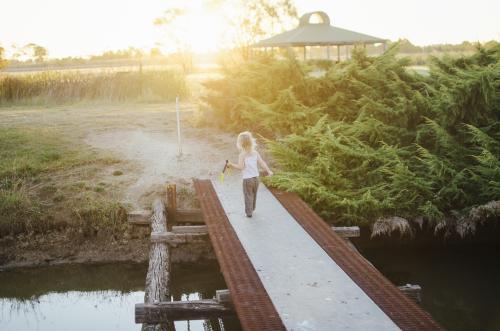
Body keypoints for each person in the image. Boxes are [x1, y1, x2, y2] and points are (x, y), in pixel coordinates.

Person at [228, 131, 273, 218]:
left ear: (240, 144)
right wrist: (269, 171)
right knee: (254, 194)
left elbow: (241, 167)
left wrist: (231, 164)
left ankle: (249, 213)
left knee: (248, 195)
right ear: (251, 141)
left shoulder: (242, 155)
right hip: (256, 178)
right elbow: (262, 163)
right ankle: (252, 208)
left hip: (247, 179)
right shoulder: (255, 153)